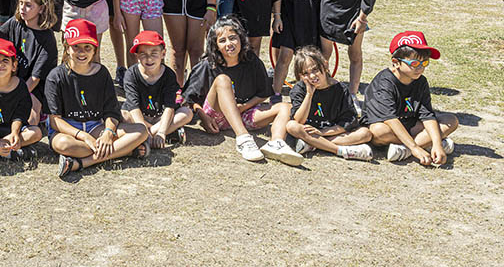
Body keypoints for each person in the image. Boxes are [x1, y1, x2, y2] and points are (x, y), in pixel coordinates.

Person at [180, 16, 302, 165]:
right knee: (223, 80)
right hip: (215, 116)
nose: (229, 44)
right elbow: (189, 99)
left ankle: (276, 143)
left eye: (233, 38)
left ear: (241, 39)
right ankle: (243, 139)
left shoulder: (252, 61)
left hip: (244, 113)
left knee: (285, 107)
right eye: (222, 41)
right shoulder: (208, 65)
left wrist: (244, 107)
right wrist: (203, 116)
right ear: (215, 45)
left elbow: (263, 94)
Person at [45, 19, 148, 177]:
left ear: (94, 50)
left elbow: (111, 112)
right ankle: (123, 150)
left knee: (141, 131)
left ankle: (83, 162)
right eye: (76, 47)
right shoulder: (55, 76)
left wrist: (107, 133)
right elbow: (55, 120)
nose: (81, 52)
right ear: (66, 47)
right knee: (63, 145)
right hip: (68, 130)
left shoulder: (102, 73)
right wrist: (83, 136)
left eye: (87, 47)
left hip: (96, 126)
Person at [364, 32, 458, 165]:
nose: (420, 68)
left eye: (424, 62)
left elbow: (427, 115)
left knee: (451, 120)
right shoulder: (384, 82)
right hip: (388, 127)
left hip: (411, 126)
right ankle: (419, 146)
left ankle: (405, 149)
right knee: (378, 131)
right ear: (396, 63)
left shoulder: (420, 81)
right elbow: (390, 119)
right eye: (414, 63)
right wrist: (414, 148)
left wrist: (437, 144)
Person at [285, 46, 373, 160]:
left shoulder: (341, 89)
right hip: (306, 130)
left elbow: (348, 121)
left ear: (325, 66)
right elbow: (298, 121)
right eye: (305, 73)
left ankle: (314, 144)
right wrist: (309, 94)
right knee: (292, 126)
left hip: (331, 133)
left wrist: (322, 133)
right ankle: (340, 150)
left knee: (365, 133)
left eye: (315, 69)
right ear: (300, 76)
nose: (312, 76)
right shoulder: (299, 89)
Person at [122, 31, 192, 153]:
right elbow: (133, 107)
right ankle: (167, 133)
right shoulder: (130, 74)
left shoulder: (169, 75)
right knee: (123, 115)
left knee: (186, 113)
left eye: (154, 53)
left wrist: (161, 132)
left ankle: (147, 137)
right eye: (143, 54)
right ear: (137, 56)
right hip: (139, 117)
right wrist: (143, 128)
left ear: (163, 54)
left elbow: (170, 106)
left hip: (160, 118)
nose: (149, 58)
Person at [0, 0, 58, 121]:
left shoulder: (47, 38)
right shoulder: (15, 23)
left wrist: (13, 97)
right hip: (11, 78)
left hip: (32, 88)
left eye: (29, 5)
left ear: (42, 8)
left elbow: (35, 79)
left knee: (31, 118)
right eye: (21, 3)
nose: (22, 8)